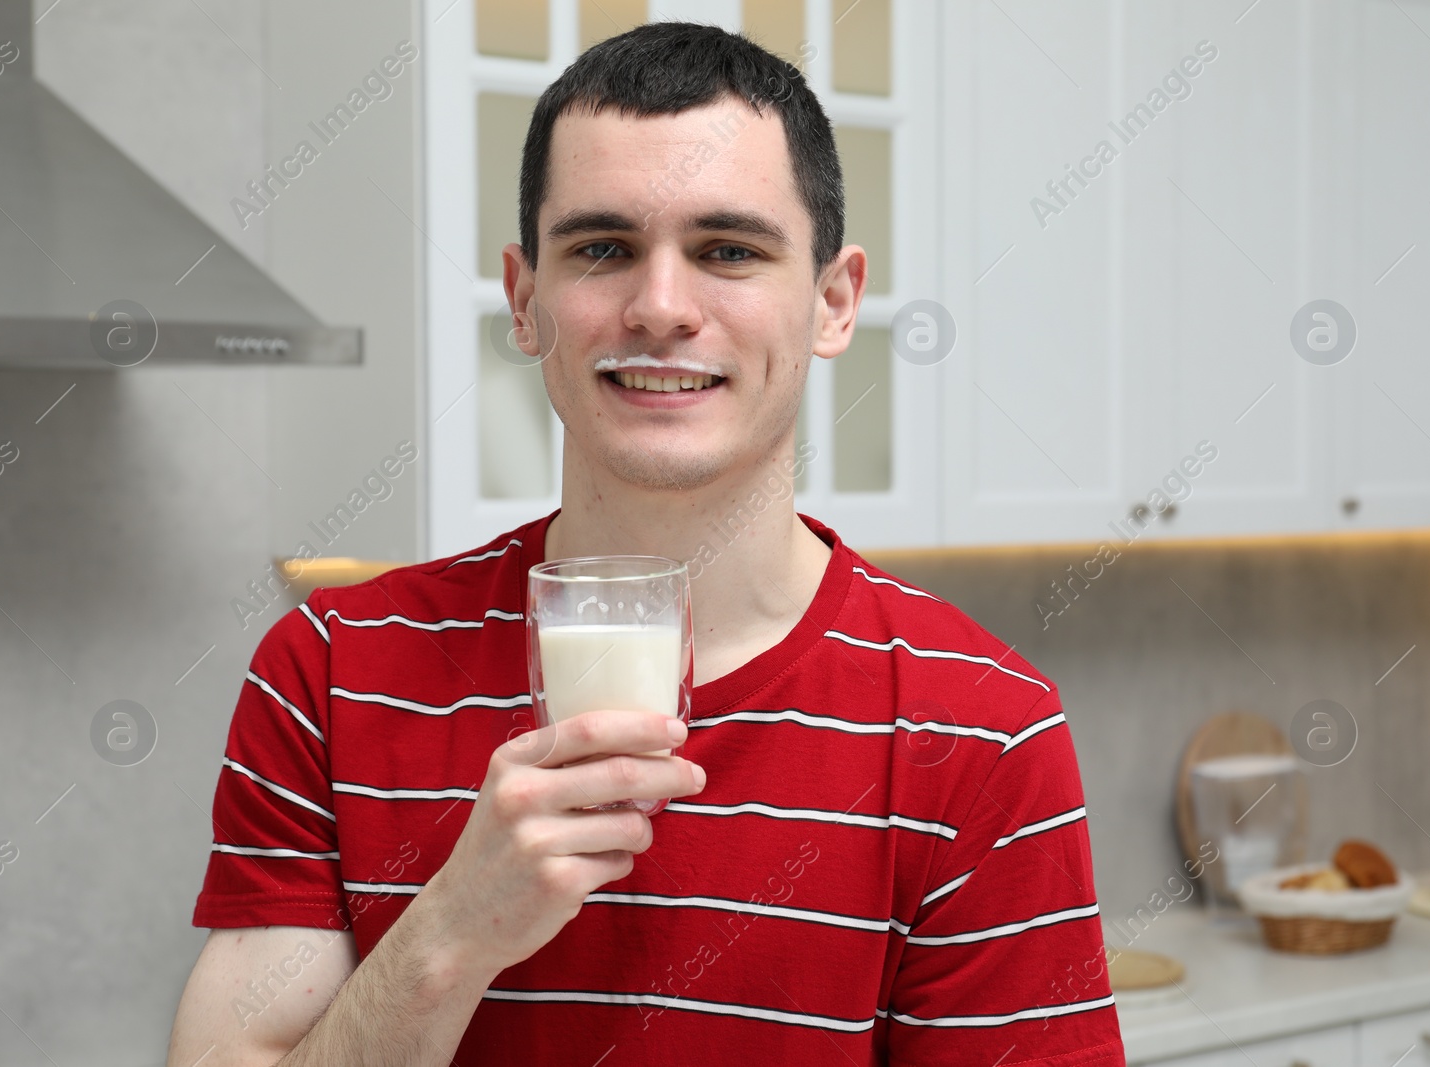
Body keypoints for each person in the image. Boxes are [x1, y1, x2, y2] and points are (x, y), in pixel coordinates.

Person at [167, 21, 1124, 1067]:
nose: (660, 307)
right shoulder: (333, 670)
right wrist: (452, 931)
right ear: (526, 300)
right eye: (602, 248)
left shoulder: (983, 729)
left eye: (728, 251)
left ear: (833, 301)